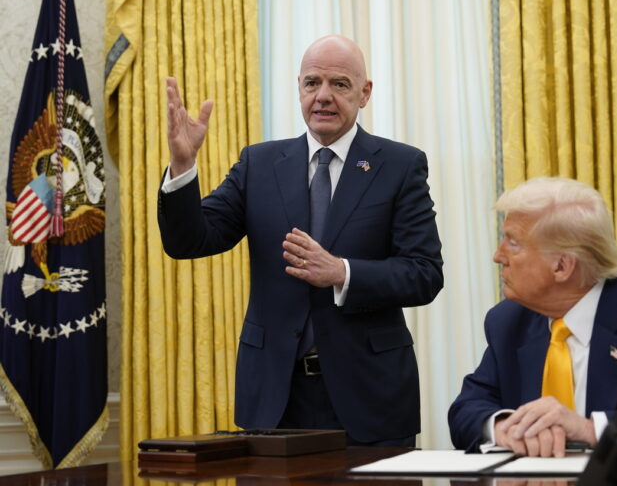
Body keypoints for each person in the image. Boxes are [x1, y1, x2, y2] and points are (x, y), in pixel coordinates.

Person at [157, 35, 443, 447]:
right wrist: (183, 165)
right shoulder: (259, 163)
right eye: (312, 83)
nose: (323, 96)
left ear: (365, 93)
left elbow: (424, 273)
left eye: (339, 84)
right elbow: (190, 240)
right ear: (299, 88)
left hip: (370, 398)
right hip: (276, 396)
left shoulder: (399, 165)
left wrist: (341, 272)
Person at [448, 177, 617, 456]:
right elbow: (466, 410)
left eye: (513, 243)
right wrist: (504, 427)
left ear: (562, 266)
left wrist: (592, 430)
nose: (498, 255)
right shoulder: (508, 321)